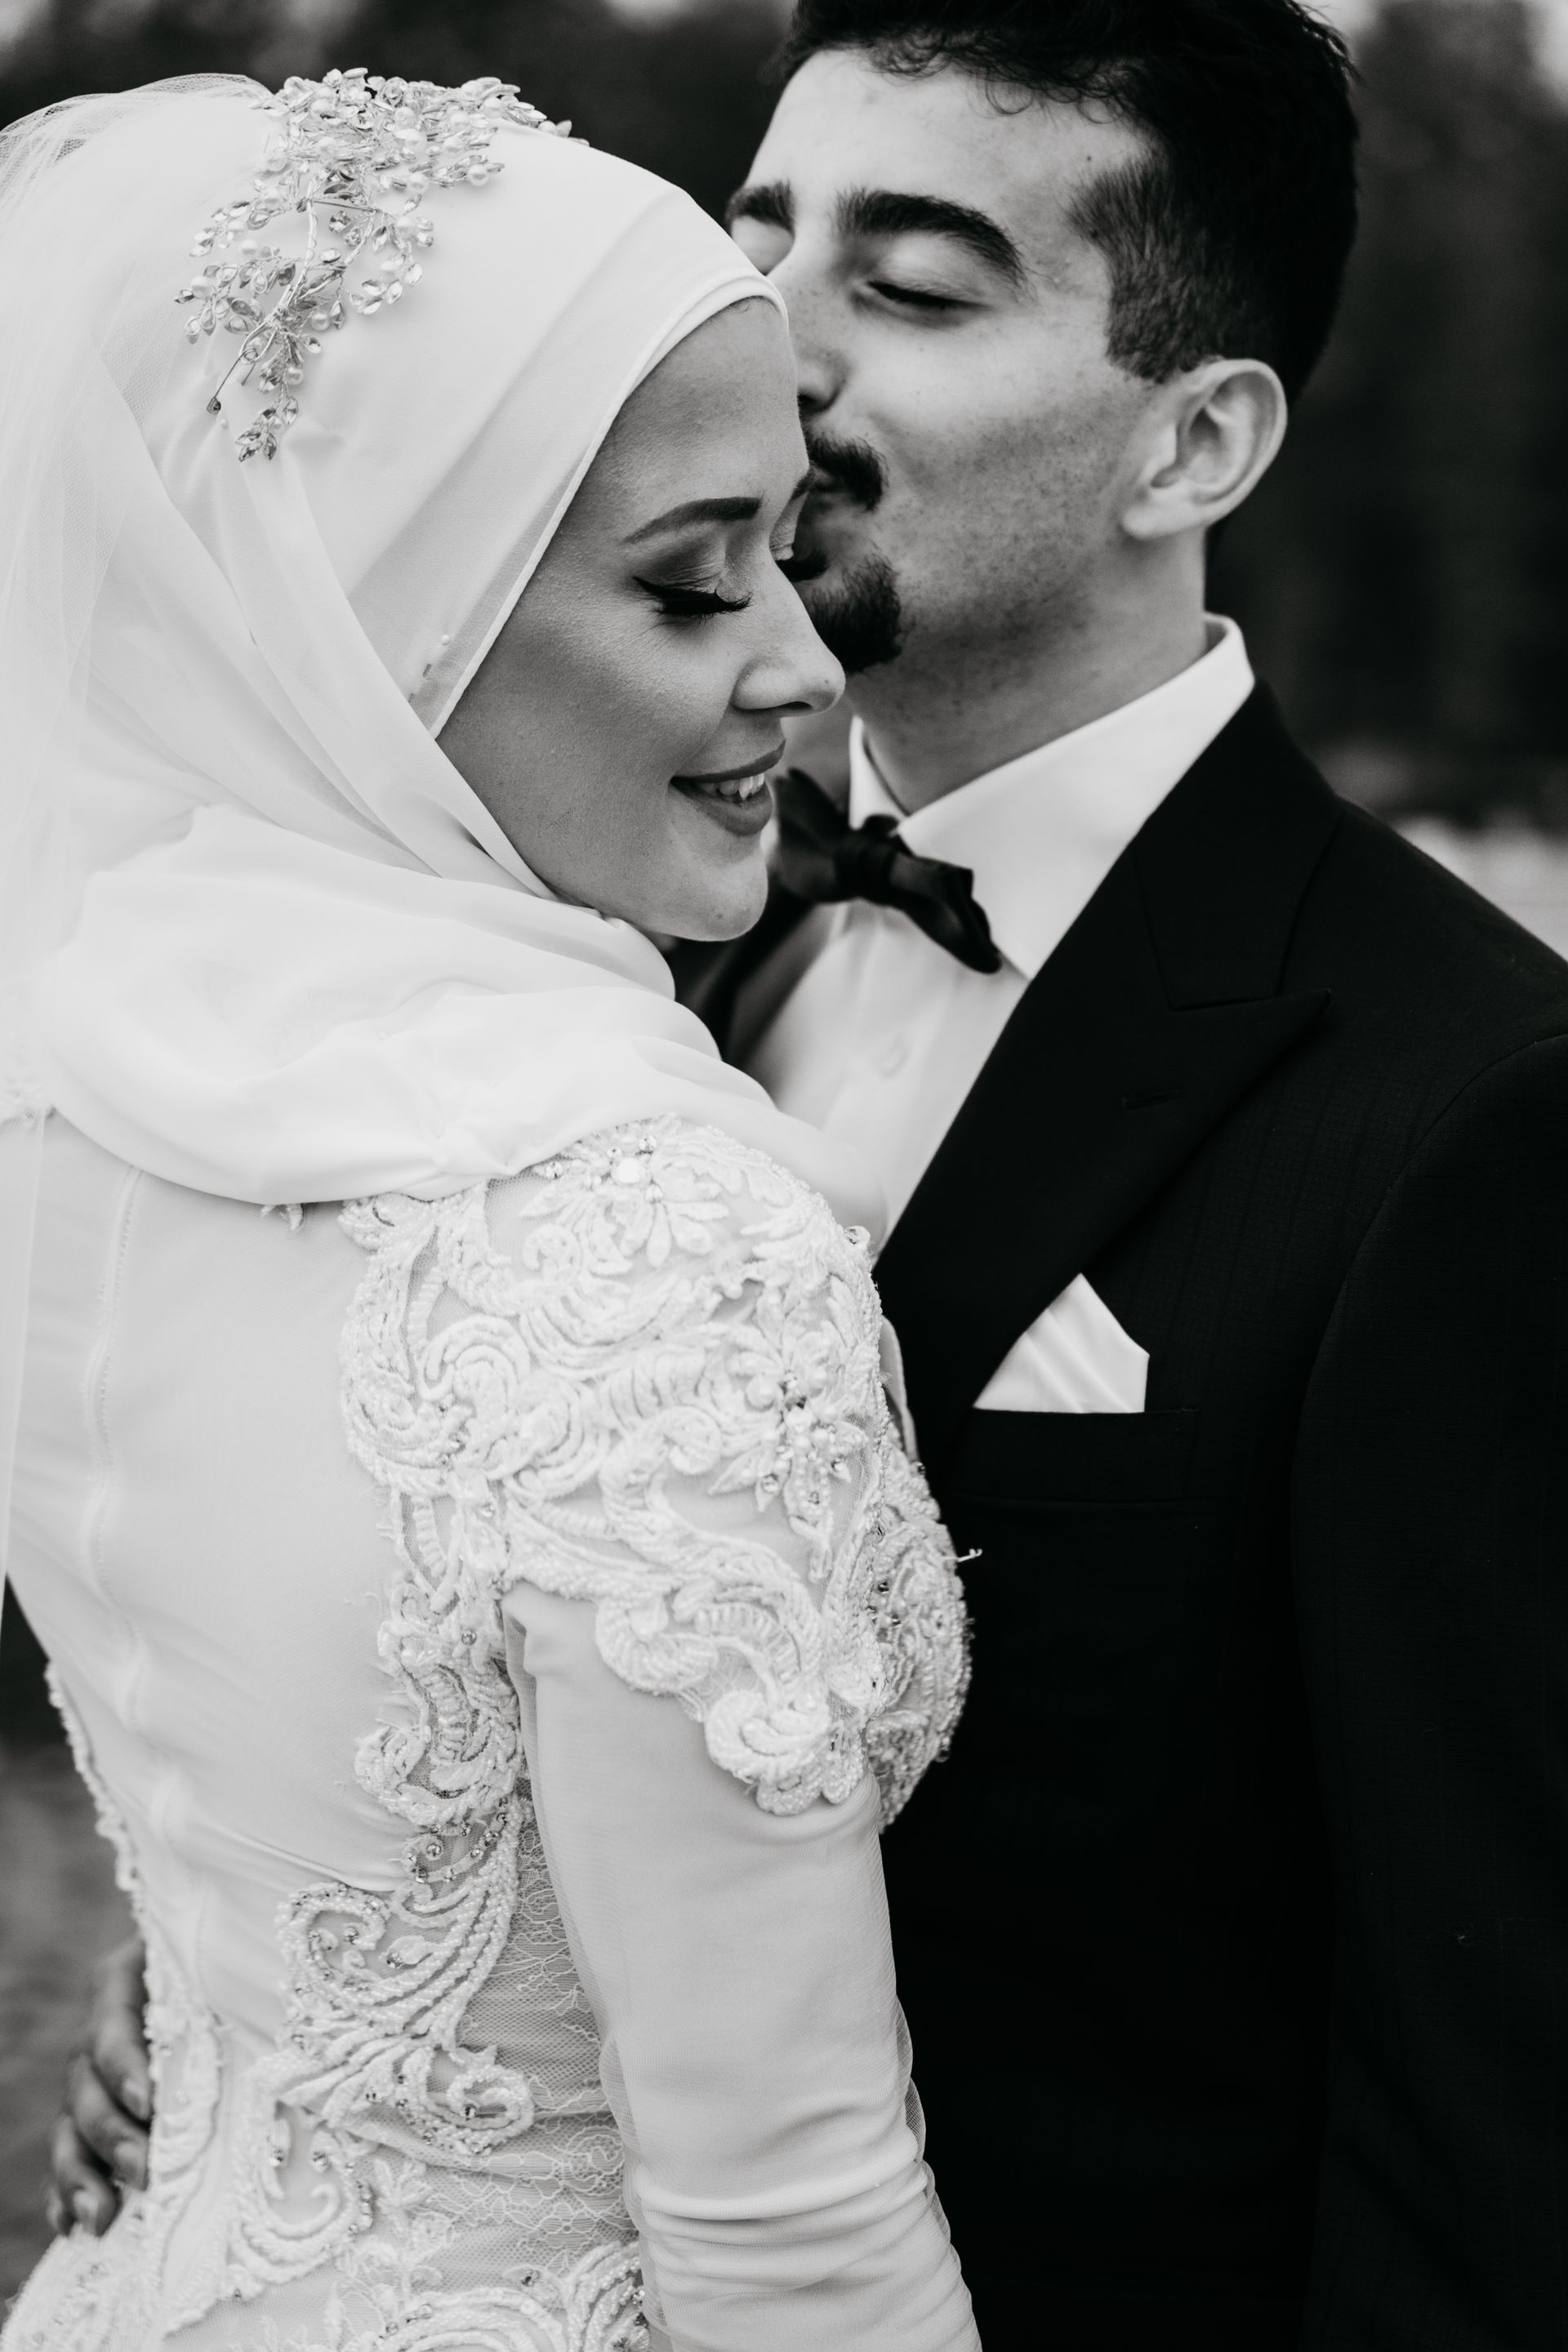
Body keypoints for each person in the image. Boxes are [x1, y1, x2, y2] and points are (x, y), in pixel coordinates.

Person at [49, 2, 1568, 2343]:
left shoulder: (1472, 1101)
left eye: (920, 283)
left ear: (1199, 438)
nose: (783, 340)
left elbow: (1492, 2088)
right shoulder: (556, 923)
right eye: (762, 237)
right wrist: (269, 2022)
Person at [0, 69, 977, 2352]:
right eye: (684, 582)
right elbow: (794, 2235)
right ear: (376, 624)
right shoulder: (639, 1251)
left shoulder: (68, 1090)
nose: (801, 666)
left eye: (782, 547)